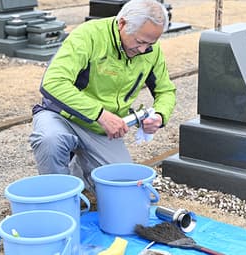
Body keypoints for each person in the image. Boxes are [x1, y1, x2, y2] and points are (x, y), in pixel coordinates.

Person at [29, 0, 176, 192]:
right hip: (62, 116)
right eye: (140, 42)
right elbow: (53, 83)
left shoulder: (150, 51)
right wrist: (101, 115)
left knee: (122, 188)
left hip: (101, 131)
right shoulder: (88, 35)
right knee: (50, 140)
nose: (143, 50)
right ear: (122, 23)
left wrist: (160, 115)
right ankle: (58, 197)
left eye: (150, 43)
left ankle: (79, 172)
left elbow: (165, 90)